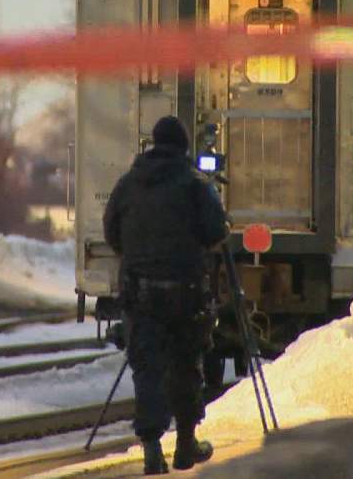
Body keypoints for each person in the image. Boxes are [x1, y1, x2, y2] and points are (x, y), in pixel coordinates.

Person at [103, 115, 228, 474]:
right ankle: (186, 445)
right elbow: (215, 232)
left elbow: (112, 234)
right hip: (186, 295)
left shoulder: (127, 185)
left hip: (141, 295)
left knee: (148, 370)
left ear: (153, 145)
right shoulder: (195, 185)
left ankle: (152, 450)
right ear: (184, 147)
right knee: (186, 366)